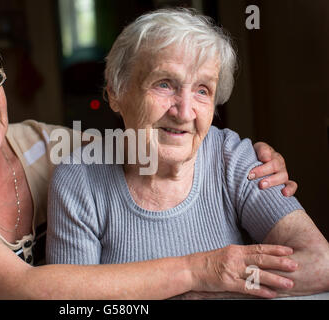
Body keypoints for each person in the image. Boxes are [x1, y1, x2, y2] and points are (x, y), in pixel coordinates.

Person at [0, 12, 296, 300]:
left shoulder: (48, 143)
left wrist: (246, 159)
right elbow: (26, 291)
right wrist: (200, 271)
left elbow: (150, 134)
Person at [46, 8, 329, 299]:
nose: (184, 112)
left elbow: (321, 263)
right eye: (164, 84)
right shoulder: (79, 180)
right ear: (116, 92)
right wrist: (203, 275)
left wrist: (203, 293)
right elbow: (72, 302)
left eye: (202, 90)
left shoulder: (233, 158)